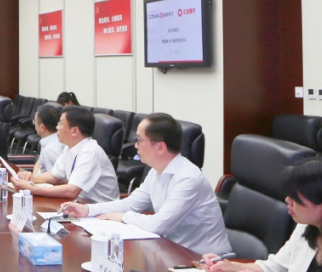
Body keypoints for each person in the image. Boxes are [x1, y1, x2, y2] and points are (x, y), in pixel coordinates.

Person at [61, 113, 230, 255]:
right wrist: (88, 210)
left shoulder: (188, 178)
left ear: (160, 147)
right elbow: (130, 204)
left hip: (204, 260)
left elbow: (159, 224)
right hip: (171, 250)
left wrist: (125, 217)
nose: (135, 146)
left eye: (139, 140)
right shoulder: (156, 172)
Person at [203, 157, 322, 272]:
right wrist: (230, 267)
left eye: (296, 198)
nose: (288, 200)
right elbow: (274, 268)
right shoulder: (307, 227)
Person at [12, 106, 119, 203]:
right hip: (80, 205)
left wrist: (32, 190)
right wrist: (32, 179)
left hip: (101, 211)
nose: (57, 127)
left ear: (74, 131)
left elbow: (72, 191)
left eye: (60, 124)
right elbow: (54, 175)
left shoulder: (90, 152)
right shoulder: (69, 148)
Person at [31, 103, 64, 176]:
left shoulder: (51, 150)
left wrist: (34, 178)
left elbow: (59, 177)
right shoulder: (49, 140)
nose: (34, 124)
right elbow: (40, 162)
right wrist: (34, 175)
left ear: (42, 127)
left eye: (34, 121)